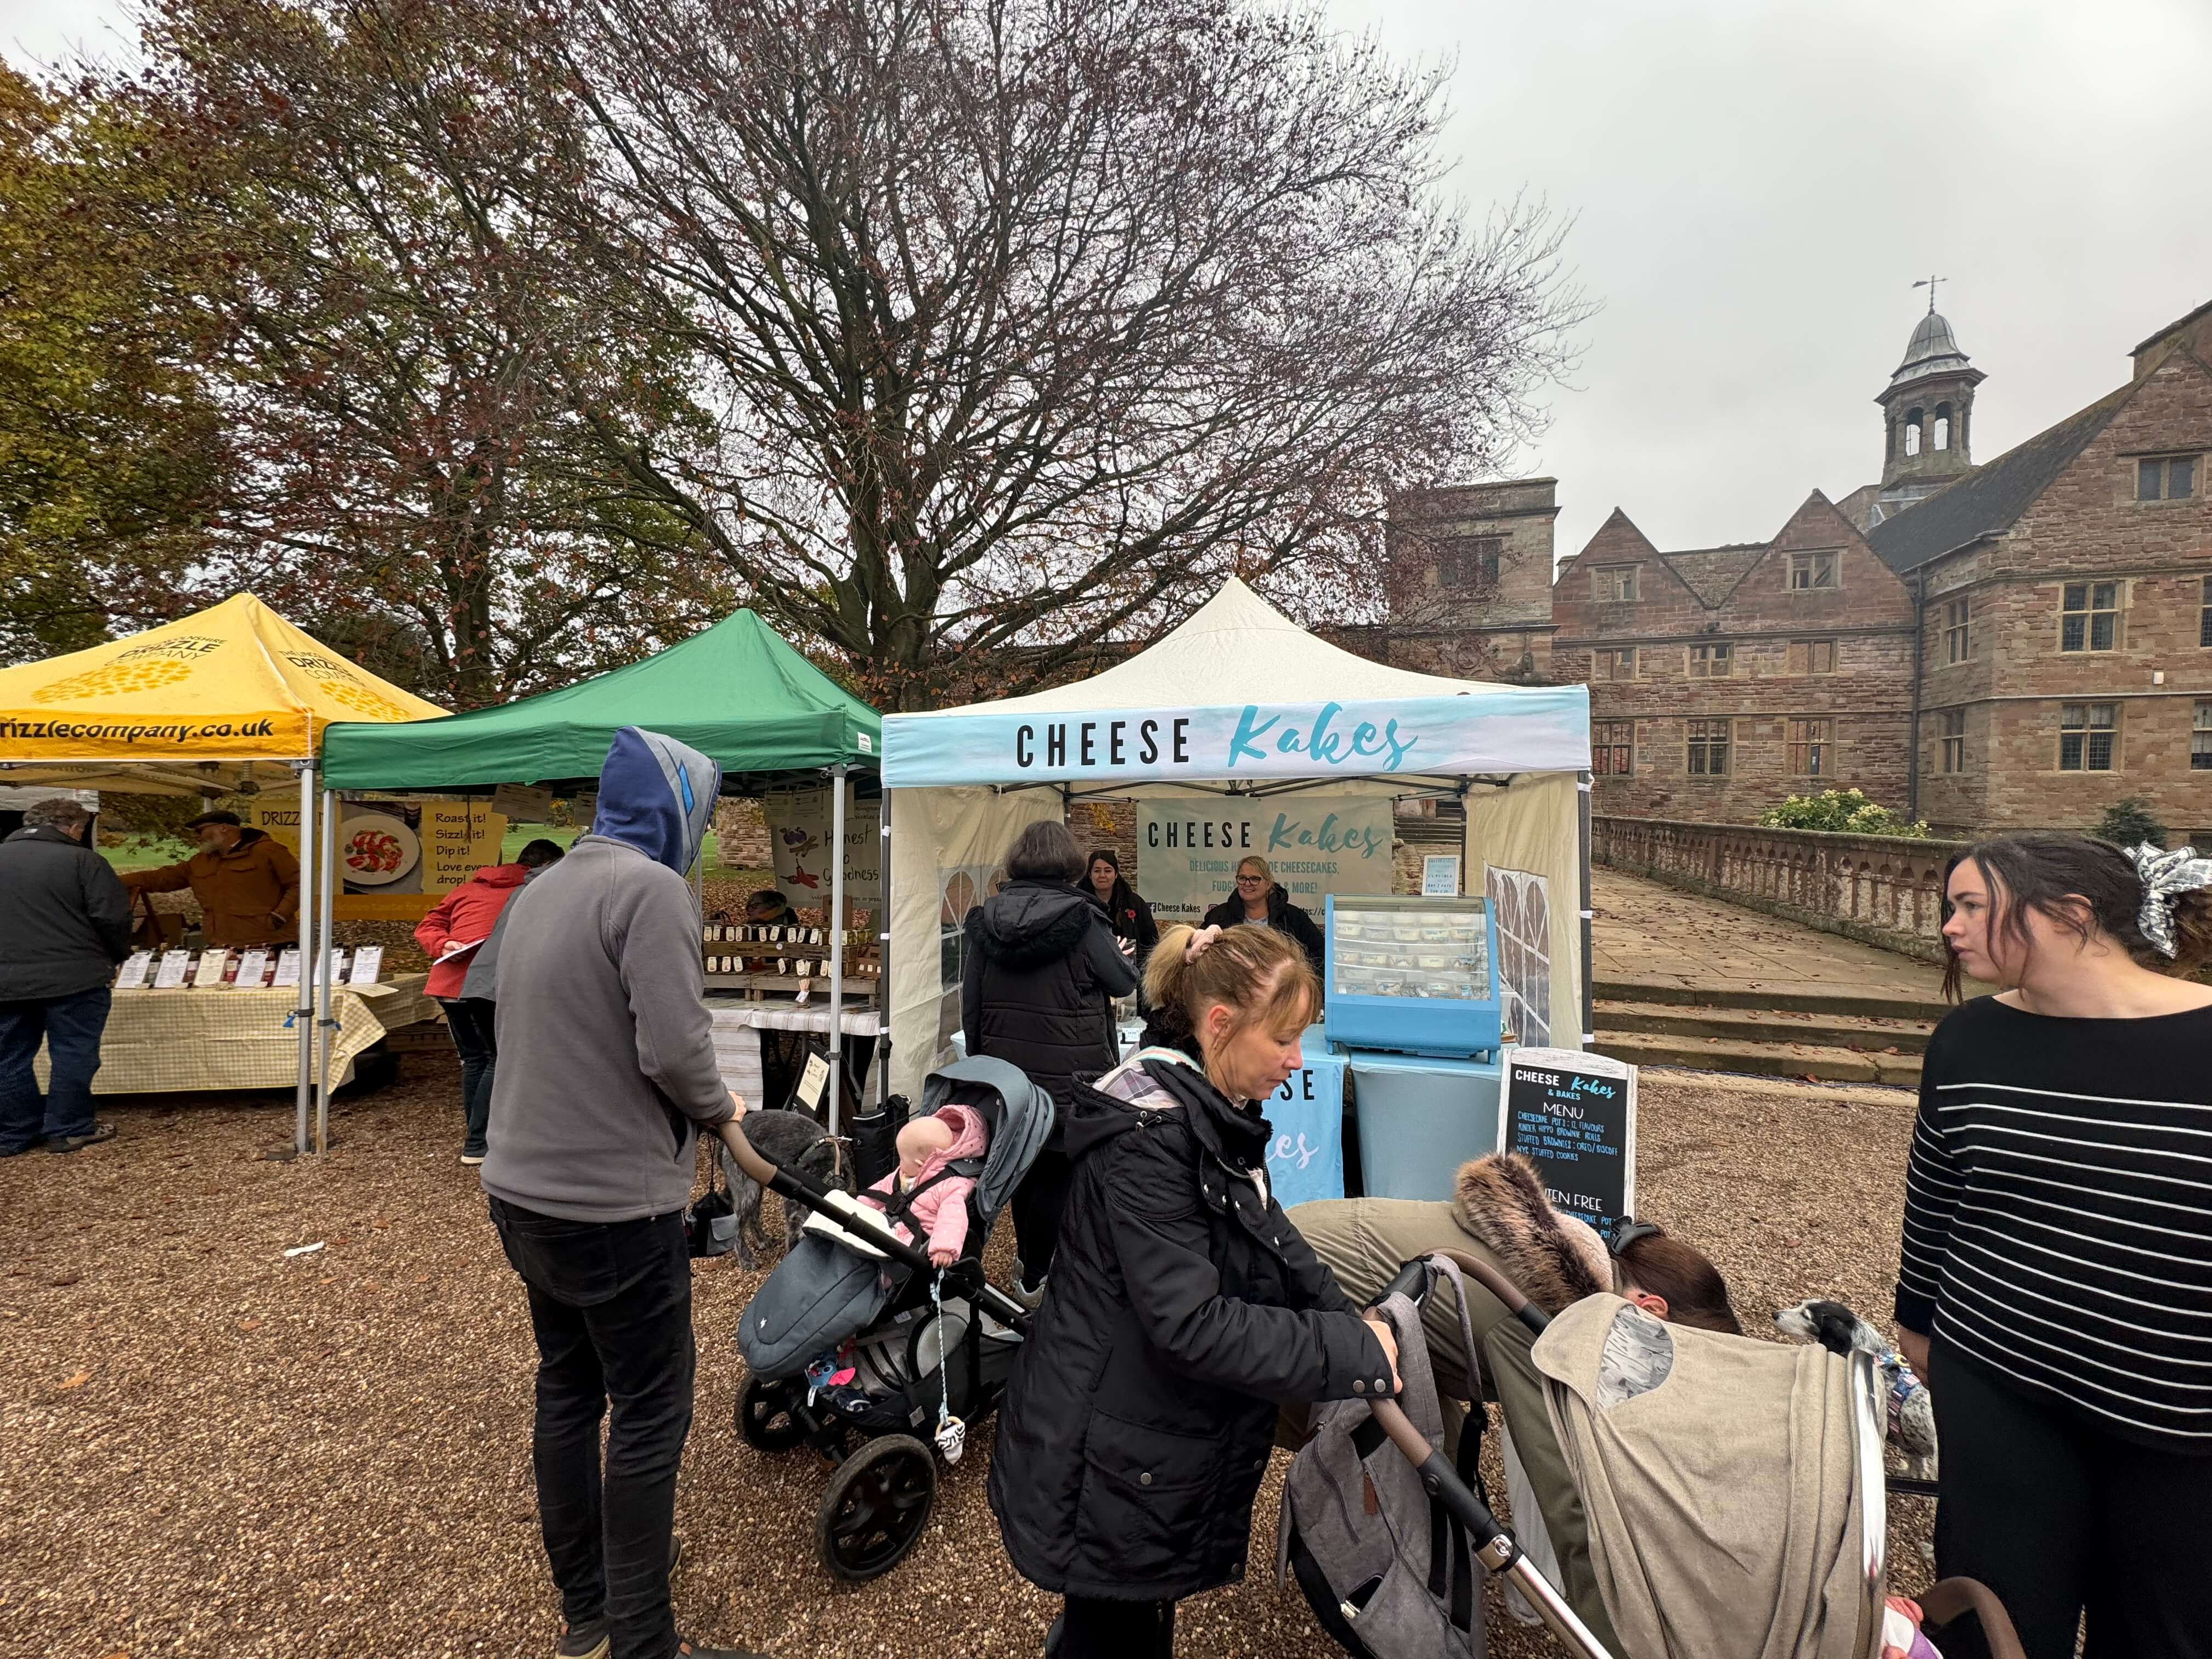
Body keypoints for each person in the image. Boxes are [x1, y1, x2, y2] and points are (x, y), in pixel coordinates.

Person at [990, 922, 1400, 1659]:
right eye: (1284, 1040)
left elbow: (1268, 1229)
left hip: (1139, 1432)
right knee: (1112, 1628)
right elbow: (1194, 1325)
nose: (1296, 1060)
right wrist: (1349, 1350)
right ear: (1219, 1025)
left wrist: (1345, 1317)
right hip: (1108, 1451)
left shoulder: (1202, 1098)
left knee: (1131, 1613)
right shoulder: (1154, 1140)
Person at [479, 727, 766, 1659]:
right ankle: (644, 1640)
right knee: (649, 1410)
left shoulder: (542, 887)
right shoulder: (650, 889)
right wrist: (723, 1109)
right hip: (611, 1203)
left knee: (568, 1389)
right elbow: (675, 1050)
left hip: (521, 1190)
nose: (705, 834)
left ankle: (590, 1608)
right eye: (704, 815)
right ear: (677, 807)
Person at [1893, 832, 2212, 1659]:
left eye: (1972, 906)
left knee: (2163, 1629)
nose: (1950, 928)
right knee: (1995, 1620)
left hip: (2178, 1411)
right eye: (1950, 907)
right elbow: (1936, 1194)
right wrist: (1917, 1323)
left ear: (2071, 915)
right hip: (1997, 1378)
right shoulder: (1968, 1039)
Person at [1283, 1160, 1740, 1652]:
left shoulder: (1587, 1259)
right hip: (1288, 1296)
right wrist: (1615, 1638)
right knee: (1379, 1472)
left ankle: (1426, 1575)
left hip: (1310, 1251)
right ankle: (1380, 1597)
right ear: (1650, 1310)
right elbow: (1566, 1492)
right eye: (1670, 1357)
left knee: (1440, 1456)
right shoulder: (1548, 1321)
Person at [962, 820, 1138, 1304]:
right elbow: (1124, 982)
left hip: (1008, 1075)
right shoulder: (1084, 919)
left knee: (1024, 1165)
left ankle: (1030, 1268)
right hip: (1071, 1073)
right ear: (1071, 865)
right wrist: (1119, 954)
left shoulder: (986, 919)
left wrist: (983, 1067)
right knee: (1063, 1170)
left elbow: (971, 1004)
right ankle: (1050, 1280)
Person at [414, 837, 565, 1166]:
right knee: (498, 1059)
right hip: (489, 986)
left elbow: (429, 924)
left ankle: (476, 1136)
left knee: (475, 1060)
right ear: (546, 866)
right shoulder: (532, 891)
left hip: (450, 985)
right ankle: (479, 1141)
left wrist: (442, 943)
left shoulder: (468, 889)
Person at [0, 798, 133, 1155]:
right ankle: (69, 1128)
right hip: (76, 977)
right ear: (75, 827)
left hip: (5, 980)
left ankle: (13, 1133)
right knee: (73, 1053)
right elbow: (112, 917)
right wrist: (117, 956)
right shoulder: (84, 860)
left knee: (7, 1057)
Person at [119, 808, 300, 947]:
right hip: (222, 944)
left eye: (200, 831)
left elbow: (299, 884)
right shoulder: (201, 861)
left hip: (270, 942)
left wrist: (279, 917)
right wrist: (114, 880)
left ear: (224, 829)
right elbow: (162, 878)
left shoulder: (268, 851)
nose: (198, 838)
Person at [857, 1103, 988, 1267]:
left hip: (918, 1241)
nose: (900, 1165)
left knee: (886, 1263)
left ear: (920, 1165)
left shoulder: (951, 1184)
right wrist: (860, 1204)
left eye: (902, 1160)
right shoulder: (907, 1173)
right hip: (893, 1224)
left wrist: (944, 1248)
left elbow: (952, 1217)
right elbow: (883, 1187)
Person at [1201, 854, 1323, 972]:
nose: (1247, 884)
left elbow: (1320, 955)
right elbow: (1200, 954)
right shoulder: (1218, 916)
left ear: (1268, 884)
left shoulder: (1294, 917)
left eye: (1255, 879)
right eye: (1242, 878)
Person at [1085, 848, 1158, 965]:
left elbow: (1151, 940)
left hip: (1130, 969)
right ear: (1090, 875)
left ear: (1116, 874)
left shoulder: (1134, 903)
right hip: (1090, 969)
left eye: (1108, 871)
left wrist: (1142, 967)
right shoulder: (1080, 904)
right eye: (1097, 871)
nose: (1102, 875)